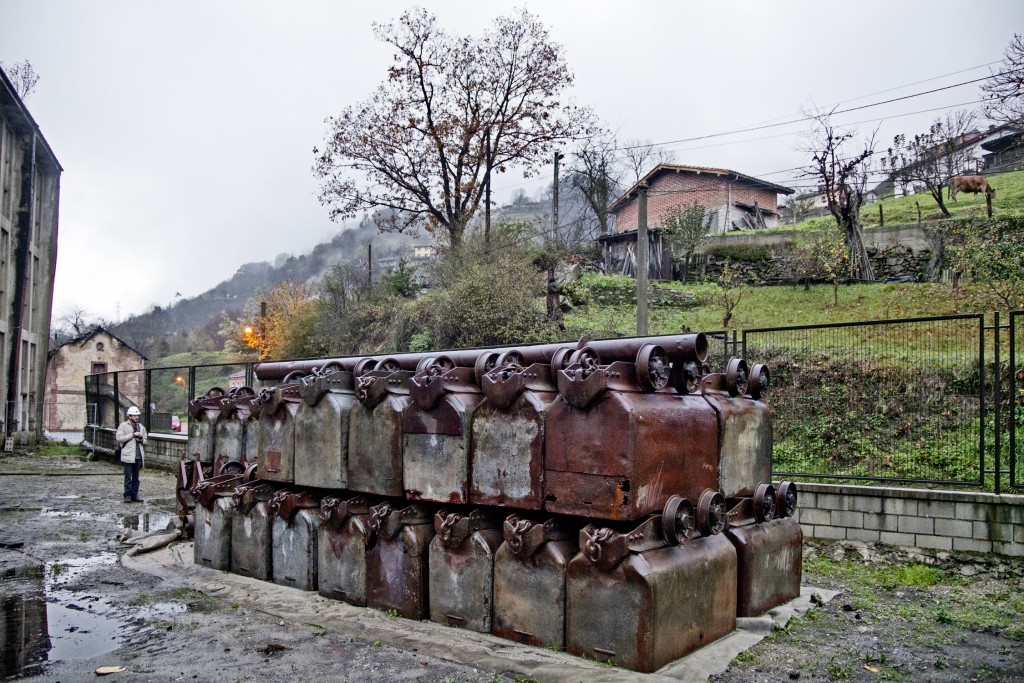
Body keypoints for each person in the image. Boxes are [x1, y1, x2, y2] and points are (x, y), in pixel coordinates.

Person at [115, 406, 147, 503]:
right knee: (128, 477)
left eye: (137, 415)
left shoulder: (141, 427)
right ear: (129, 416)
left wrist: (141, 439)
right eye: (134, 415)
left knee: (136, 478)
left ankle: (135, 495)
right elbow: (119, 438)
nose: (136, 417)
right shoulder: (123, 426)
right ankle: (127, 495)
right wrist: (132, 435)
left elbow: (145, 440)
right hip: (128, 456)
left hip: (138, 456)